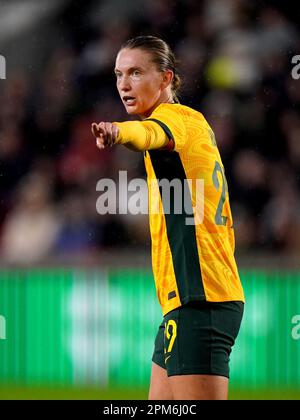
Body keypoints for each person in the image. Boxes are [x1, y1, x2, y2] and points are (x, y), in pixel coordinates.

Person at [91, 35, 244, 400]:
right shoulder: (190, 122)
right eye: (118, 74)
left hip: (203, 300)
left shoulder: (173, 120)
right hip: (185, 302)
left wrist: (117, 131)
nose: (124, 84)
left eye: (136, 73)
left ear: (165, 79)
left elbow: (145, 134)